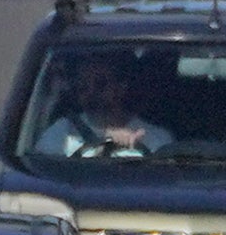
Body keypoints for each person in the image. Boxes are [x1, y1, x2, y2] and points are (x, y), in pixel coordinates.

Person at [31, 54, 174, 161]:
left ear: (121, 87)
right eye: (83, 87)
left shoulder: (156, 140)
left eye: (100, 85)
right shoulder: (60, 134)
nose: (91, 94)